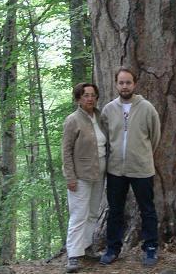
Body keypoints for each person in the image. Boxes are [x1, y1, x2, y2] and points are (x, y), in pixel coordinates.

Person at [100, 67, 161, 268]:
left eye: (128, 82)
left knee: (147, 210)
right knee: (115, 210)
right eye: (121, 82)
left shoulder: (147, 108)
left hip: (142, 168)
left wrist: (141, 155)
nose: (124, 86)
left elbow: (155, 137)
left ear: (134, 84)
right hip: (116, 169)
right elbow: (105, 138)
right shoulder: (108, 110)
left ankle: (150, 248)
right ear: (116, 84)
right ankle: (112, 248)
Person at [62, 82, 107, 273]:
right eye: (85, 95)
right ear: (78, 98)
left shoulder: (99, 117)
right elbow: (66, 151)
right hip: (80, 175)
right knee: (78, 215)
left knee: (93, 213)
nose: (90, 98)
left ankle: (87, 247)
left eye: (92, 95)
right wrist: (70, 177)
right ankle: (73, 255)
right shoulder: (73, 120)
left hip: (100, 173)